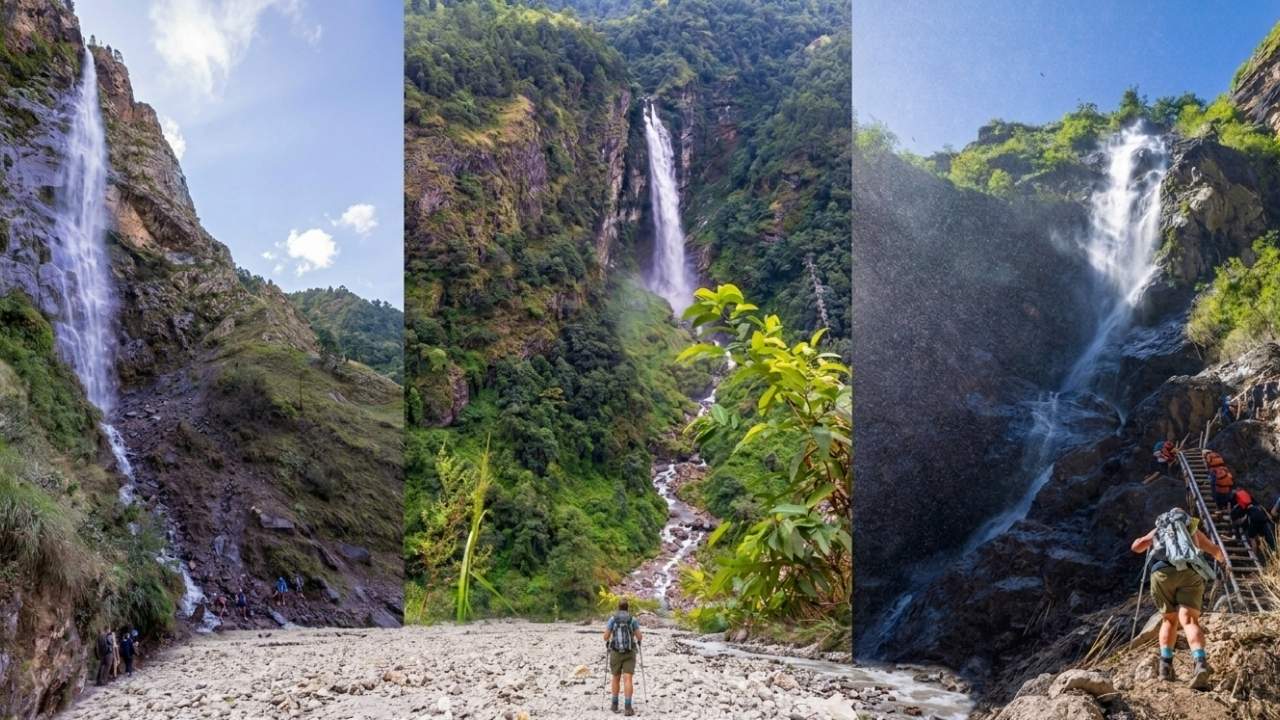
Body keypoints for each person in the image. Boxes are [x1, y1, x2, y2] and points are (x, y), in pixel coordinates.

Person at [1131, 508, 1225, 690]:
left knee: (1169, 620)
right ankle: (1200, 663)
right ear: (1185, 518)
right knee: (1189, 620)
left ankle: (1165, 667)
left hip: (1162, 572)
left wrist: (1141, 541)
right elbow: (1215, 551)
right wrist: (1224, 563)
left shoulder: (1159, 529)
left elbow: (1137, 547)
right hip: (1190, 572)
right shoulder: (1191, 528)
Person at [603, 600, 642, 715]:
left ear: (618, 608)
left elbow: (605, 637)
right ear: (627, 608)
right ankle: (628, 707)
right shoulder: (632, 620)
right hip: (629, 652)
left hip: (615, 653)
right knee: (628, 679)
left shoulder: (612, 619)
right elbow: (639, 637)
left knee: (615, 678)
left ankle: (614, 704)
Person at [1230, 490, 1276, 556]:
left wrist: (1254, 557)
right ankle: (1273, 550)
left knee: (1252, 537)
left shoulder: (1247, 516)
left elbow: (1252, 540)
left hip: (1255, 518)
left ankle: (1255, 555)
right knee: (1267, 535)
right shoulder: (1247, 501)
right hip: (1261, 516)